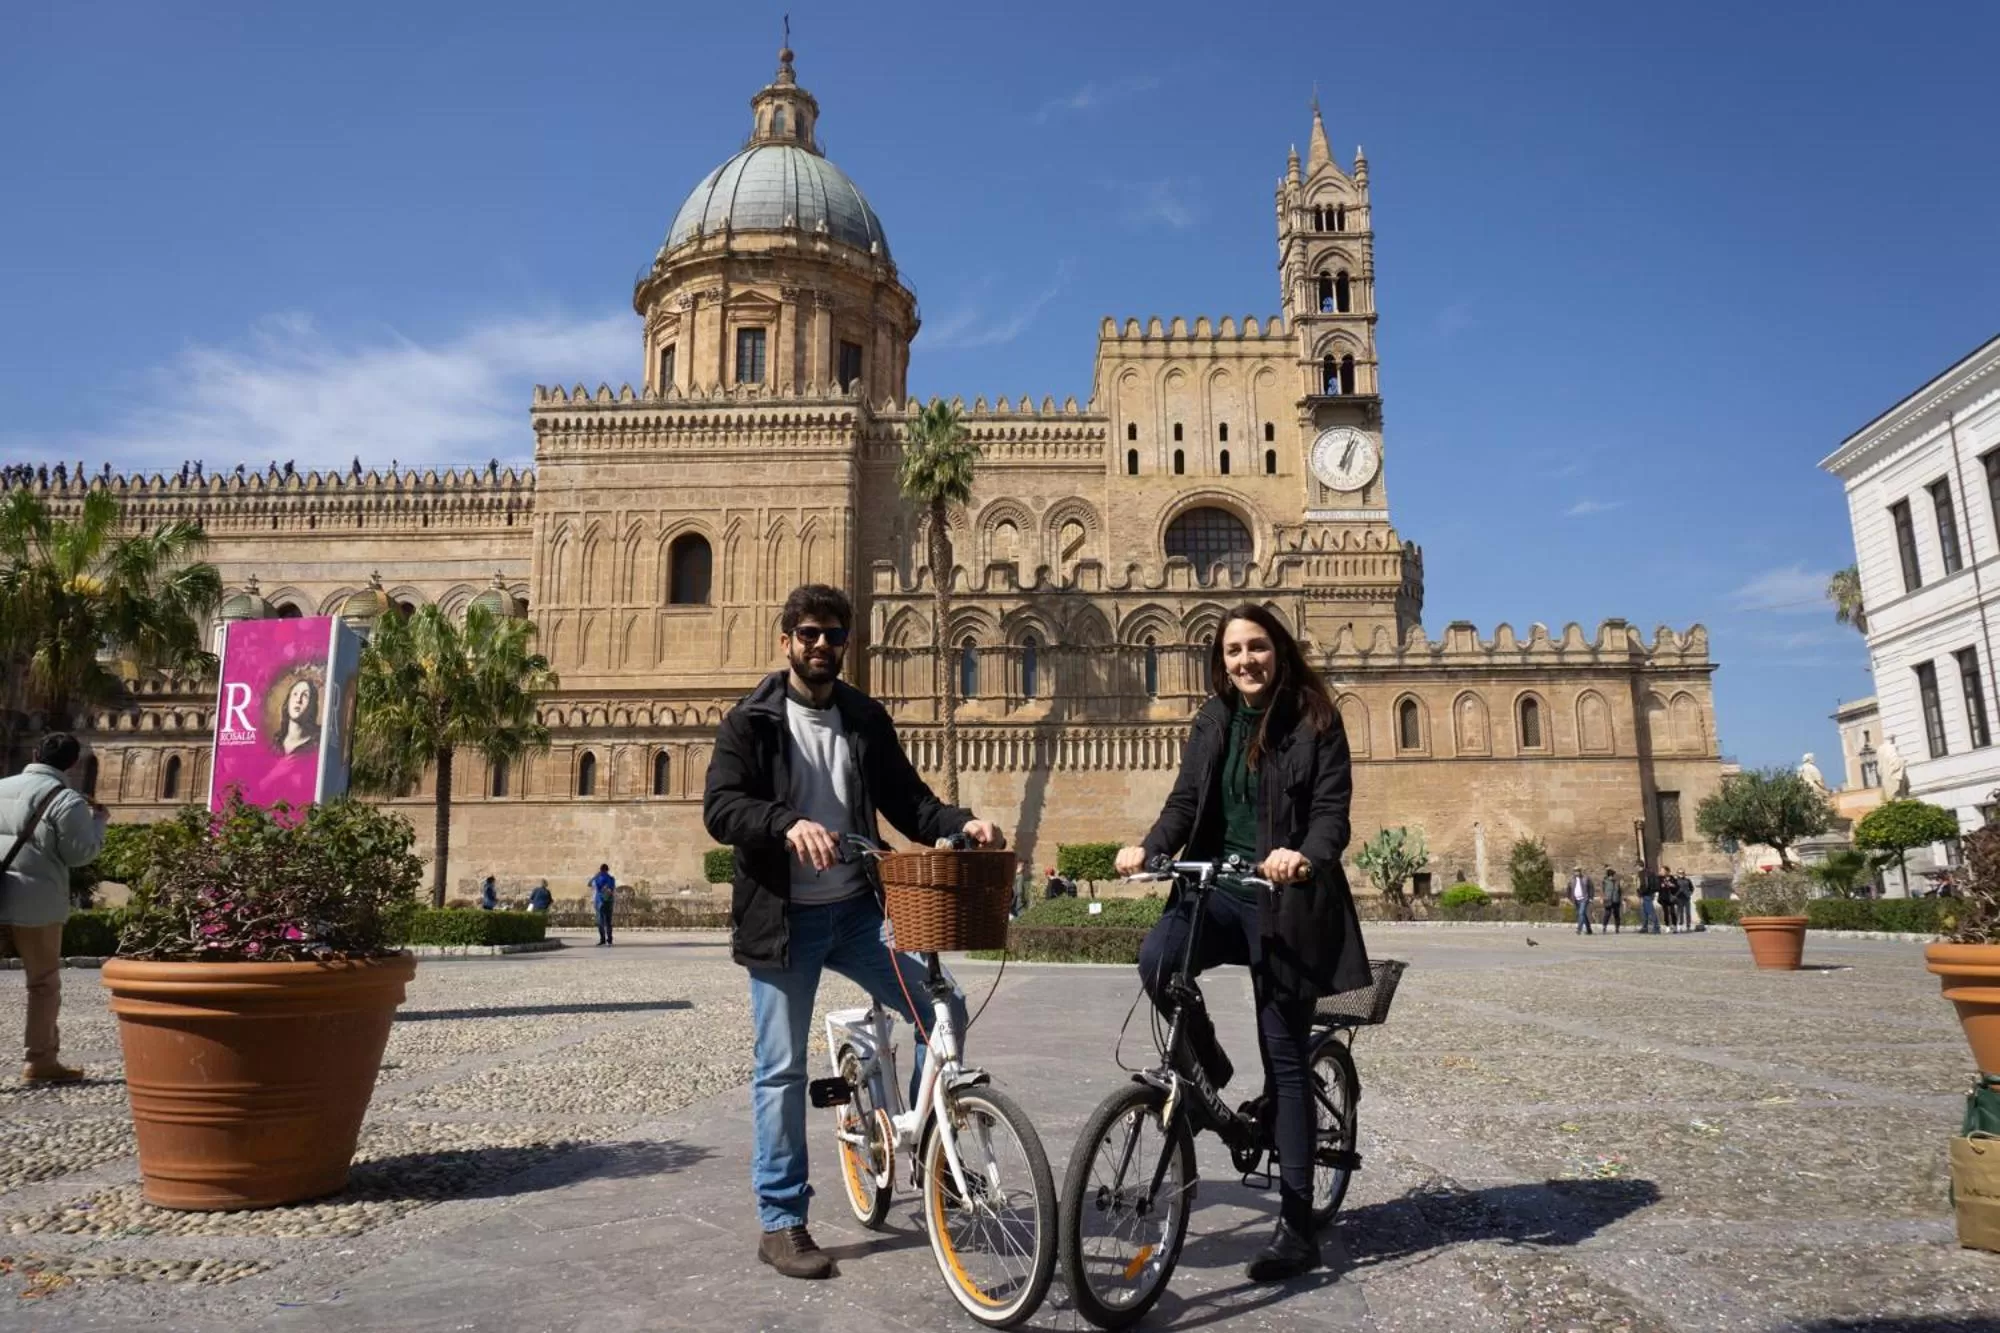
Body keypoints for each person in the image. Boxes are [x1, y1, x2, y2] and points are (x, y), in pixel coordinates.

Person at [703, 583, 1006, 1282]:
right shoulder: (751, 720)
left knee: (945, 1011)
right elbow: (722, 807)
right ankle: (781, 1222)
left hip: (859, 911)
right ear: (786, 641)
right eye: (809, 633)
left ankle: (938, 1156)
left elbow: (909, 799)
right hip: (783, 919)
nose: (821, 645)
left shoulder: (864, 716)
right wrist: (784, 823)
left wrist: (959, 823)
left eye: (833, 635)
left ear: (846, 644)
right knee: (779, 1070)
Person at [1116, 603, 1369, 1282]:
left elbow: (1331, 814)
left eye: (1256, 647)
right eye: (1232, 651)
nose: (1245, 661)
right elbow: (1184, 800)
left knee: (1285, 1057)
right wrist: (1150, 846)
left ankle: (1295, 1225)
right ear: (1219, 660)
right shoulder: (1213, 719)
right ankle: (1210, 1067)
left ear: (1278, 650)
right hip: (1219, 891)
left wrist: (1302, 855)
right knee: (1157, 959)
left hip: (1285, 900)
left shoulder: (1316, 719)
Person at [1, 734, 109, 1084]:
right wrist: (98, 823)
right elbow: (80, 854)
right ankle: (40, 1061)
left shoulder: (2, 787)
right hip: (37, 904)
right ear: (73, 764)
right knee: (43, 984)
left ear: (35, 754)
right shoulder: (67, 800)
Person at [590, 865, 616, 945]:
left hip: (600, 901)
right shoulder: (611, 879)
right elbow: (612, 888)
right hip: (609, 901)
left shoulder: (598, 878)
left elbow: (589, 883)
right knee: (608, 921)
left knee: (601, 921)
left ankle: (602, 939)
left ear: (601, 870)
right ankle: (610, 939)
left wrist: (596, 875)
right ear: (607, 870)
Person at [1568, 865, 1594, 934]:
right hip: (1576, 899)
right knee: (1583, 914)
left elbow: (1591, 888)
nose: (1577, 873)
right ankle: (1589, 930)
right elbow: (1569, 889)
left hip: (1584, 898)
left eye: (1578, 871)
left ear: (1580, 871)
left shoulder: (1586, 878)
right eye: (1575, 871)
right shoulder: (1571, 880)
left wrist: (1591, 898)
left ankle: (1579, 929)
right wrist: (1570, 898)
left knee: (1581, 913)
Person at [1638, 863, 1661, 934]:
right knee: (1645, 912)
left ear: (1638, 866)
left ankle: (1656, 927)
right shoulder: (1648, 872)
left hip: (1646, 894)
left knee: (1650, 911)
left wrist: (1640, 893)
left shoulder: (1643, 873)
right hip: (1648, 894)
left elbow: (1645, 885)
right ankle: (1645, 927)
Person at [1601, 865, 1623, 934]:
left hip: (1616, 900)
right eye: (1610, 876)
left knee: (1616, 915)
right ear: (1608, 876)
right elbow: (1603, 890)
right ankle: (1604, 926)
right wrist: (1602, 898)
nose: (1612, 877)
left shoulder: (1617, 882)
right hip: (1608, 899)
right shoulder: (1605, 881)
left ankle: (1617, 928)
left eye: (1612, 875)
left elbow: (1620, 891)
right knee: (1607, 914)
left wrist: (1620, 899)